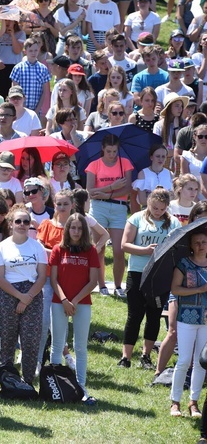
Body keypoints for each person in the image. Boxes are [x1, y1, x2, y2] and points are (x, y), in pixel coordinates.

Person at [120, 188, 180, 370]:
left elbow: (176, 249)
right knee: (135, 314)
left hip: (160, 274)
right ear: (148, 202)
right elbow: (124, 245)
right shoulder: (137, 218)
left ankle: (145, 356)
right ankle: (125, 357)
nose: (158, 212)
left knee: (154, 315)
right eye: (155, 208)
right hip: (138, 271)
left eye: (162, 209)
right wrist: (145, 250)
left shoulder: (174, 223)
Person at [0, 204, 47, 384]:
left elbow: (42, 276)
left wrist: (27, 297)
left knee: (30, 341)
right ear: (11, 224)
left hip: (33, 294)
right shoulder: (1, 248)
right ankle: (6, 380)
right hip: (8, 294)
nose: (22, 224)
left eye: (26, 221)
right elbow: (0, 278)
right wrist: (18, 296)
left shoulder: (37, 247)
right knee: (7, 340)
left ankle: (28, 381)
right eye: (18, 221)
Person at [49, 213, 100, 404]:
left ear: (84, 230)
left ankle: (81, 387)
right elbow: (53, 280)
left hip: (82, 303)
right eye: (73, 228)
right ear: (67, 229)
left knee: (80, 346)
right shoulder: (57, 249)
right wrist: (64, 300)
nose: (76, 232)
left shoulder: (91, 251)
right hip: (59, 301)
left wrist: (75, 301)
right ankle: (56, 384)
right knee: (57, 344)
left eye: (80, 228)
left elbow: (93, 281)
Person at [86, 134, 133, 297]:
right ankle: (102, 285)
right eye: (109, 151)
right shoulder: (94, 165)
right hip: (98, 207)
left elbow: (127, 189)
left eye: (115, 151)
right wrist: (111, 188)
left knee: (119, 250)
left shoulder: (124, 163)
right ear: (103, 149)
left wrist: (105, 193)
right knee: (100, 247)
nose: (112, 154)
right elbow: (90, 191)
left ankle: (119, 286)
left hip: (119, 209)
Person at [169, 229, 207, 418]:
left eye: (204, 242)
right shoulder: (183, 264)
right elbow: (175, 289)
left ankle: (194, 402)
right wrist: (200, 289)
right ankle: (175, 402)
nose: (201, 246)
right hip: (187, 317)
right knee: (184, 360)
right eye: (197, 242)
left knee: (201, 362)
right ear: (191, 246)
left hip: (206, 320)